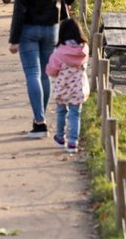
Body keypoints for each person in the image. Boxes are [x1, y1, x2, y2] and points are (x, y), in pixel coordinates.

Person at [8, 0, 74, 140]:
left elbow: (20, 8)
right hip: (51, 29)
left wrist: (14, 38)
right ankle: (41, 117)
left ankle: (39, 121)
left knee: (32, 74)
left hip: (29, 29)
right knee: (45, 75)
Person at [46, 19, 89, 153]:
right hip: (78, 88)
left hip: (62, 88)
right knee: (75, 114)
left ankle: (60, 137)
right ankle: (73, 142)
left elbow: (52, 71)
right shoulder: (84, 50)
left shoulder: (59, 52)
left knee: (61, 112)